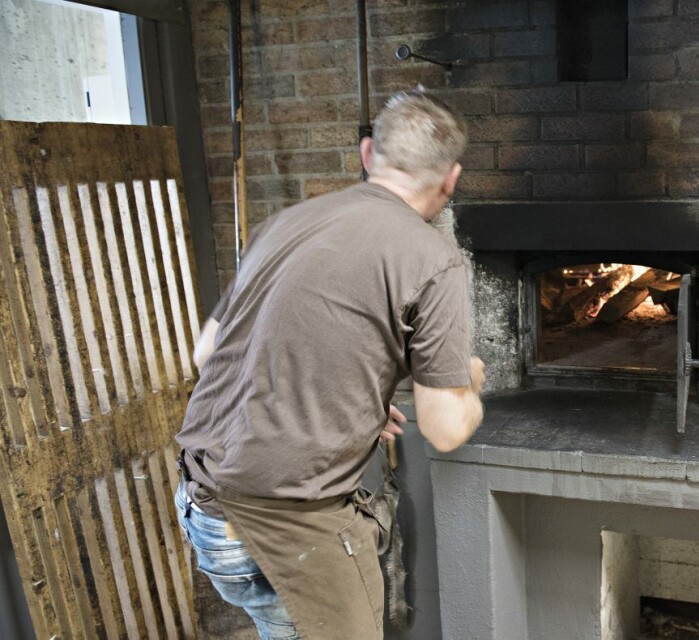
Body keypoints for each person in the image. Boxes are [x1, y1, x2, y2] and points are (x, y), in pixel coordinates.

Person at [174, 90, 485, 640]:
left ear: (368, 154)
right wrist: (470, 387)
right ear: (451, 178)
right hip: (289, 530)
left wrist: (352, 398)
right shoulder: (432, 258)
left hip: (205, 509)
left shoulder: (288, 222)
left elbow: (208, 355)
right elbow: (443, 429)